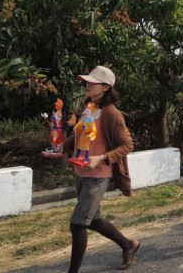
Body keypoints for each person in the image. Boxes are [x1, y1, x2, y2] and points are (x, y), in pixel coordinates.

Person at [61, 66, 139, 272]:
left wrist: (102, 158)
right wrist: (60, 148)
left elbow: (127, 145)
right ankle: (128, 245)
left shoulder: (111, 113)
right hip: (81, 173)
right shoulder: (88, 107)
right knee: (93, 220)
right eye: (86, 81)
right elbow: (79, 135)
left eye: (92, 82)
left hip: (98, 176)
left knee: (78, 224)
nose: (87, 84)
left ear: (105, 87)